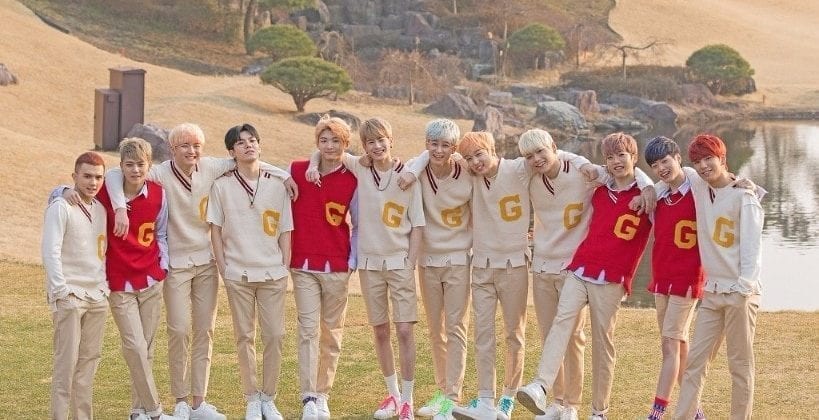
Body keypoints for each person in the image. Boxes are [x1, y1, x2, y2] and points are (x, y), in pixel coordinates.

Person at [103, 123, 293, 420]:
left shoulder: (210, 166)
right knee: (179, 330)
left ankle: (198, 402)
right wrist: (118, 207)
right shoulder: (160, 173)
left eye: (196, 146)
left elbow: (247, 160)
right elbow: (115, 174)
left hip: (207, 263)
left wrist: (284, 175)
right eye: (184, 146)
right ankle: (180, 400)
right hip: (176, 265)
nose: (191, 151)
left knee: (205, 330)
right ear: (172, 149)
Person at [516, 132, 654, 420]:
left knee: (603, 344)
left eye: (622, 155)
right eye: (610, 157)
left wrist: (647, 184)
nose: (616, 162)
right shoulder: (599, 186)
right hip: (580, 269)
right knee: (561, 323)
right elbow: (586, 166)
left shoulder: (648, 197)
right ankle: (541, 386)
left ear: (633, 157)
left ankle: (598, 411)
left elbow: (675, 183)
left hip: (613, 278)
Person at [307, 117, 425, 420]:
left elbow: (418, 225)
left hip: (399, 263)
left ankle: (408, 400)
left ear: (390, 140)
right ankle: (393, 396)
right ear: (364, 146)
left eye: (381, 140)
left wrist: (410, 263)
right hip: (369, 265)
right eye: (370, 142)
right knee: (381, 330)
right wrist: (312, 165)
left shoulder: (408, 175)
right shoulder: (359, 167)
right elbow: (327, 148)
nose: (377, 146)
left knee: (404, 331)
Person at [672, 134, 764, 420]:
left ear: (722, 159)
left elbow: (752, 250)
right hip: (711, 293)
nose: (703, 166)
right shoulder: (699, 185)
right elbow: (671, 170)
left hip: (740, 294)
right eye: (698, 161)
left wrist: (743, 289)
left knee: (740, 366)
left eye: (708, 159)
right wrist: (648, 191)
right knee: (695, 363)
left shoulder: (745, 198)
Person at [207, 124, 293, 420]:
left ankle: (269, 397)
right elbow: (215, 229)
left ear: (260, 145)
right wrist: (223, 267)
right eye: (241, 143)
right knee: (244, 337)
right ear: (231, 152)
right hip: (238, 273)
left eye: (253, 140)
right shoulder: (221, 185)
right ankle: (252, 398)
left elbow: (286, 229)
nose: (248, 146)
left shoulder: (278, 184)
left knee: (275, 336)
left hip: (272, 273)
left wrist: (284, 266)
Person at [517, 129, 594, 420]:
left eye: (541, 151)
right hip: (542, 266)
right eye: (529, 156)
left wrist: (647, 187)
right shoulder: (530, 177)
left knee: (574, 336)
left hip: (574, 269)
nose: (537, 159)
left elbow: (620, 174)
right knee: (550, 335)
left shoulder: (582, 171)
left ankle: (572, 405)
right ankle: (557, 402)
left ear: (554, 147)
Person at [97, 138, 173, 420]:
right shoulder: (105, 194)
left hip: (151, 280)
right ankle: (155, 412)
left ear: (149, 165)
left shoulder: (159, 194)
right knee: (135, 346)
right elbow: (72, 192)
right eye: (129, 165)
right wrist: (62, 193)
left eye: (141, 164)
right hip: (120, 284)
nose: (135, 170)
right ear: (121, 166)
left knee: (147, 349)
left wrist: (163, 265)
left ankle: (137, 411)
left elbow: (161, 232)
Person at [402, 119, 473, 420]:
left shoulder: (466, 172)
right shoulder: (416, 169)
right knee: (436, 330)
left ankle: (452, 399)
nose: (439, 150)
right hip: (427, 260)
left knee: (456, 328)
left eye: (445, 145)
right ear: (426, 144)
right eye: (433, 144)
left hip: (458, 259)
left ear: (454, 148)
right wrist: (421, 161)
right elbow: (405, 174)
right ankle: (442, 392)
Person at [289, 116, 358, 420]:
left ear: (346, 144)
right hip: (303, 264)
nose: (329, 146)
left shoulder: (353, 177)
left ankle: (323, 394)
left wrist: (352, 260)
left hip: (337, 266)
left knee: (332, 333)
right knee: (307, 330)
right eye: (324, 140)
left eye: (336, 141)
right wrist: (311, 164)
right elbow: (267, 171)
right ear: (316, 143)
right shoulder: (297, 170)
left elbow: (359, 223)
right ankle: (308, 397)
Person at [42, 151, 110, 420]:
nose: (93, 182)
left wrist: (104, 288)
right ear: (74, 177)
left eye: (98, 177)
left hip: (97, 297)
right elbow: (50, 251)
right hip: (70, 297)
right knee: (65, 366)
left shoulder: (101, 209)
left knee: (88, 366)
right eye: (87, 176)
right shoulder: (61, 206)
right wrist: (61, 291)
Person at [641, 136, 704, 420]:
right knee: (678, 343)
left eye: (665, 161)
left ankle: (657, 411)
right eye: (655, 165)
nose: (662, 169)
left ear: (678, 158)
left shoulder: (699, 188)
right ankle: (694, 409)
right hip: (662, 276)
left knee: (669, 344)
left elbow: (726, 185)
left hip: (687, 278)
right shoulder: (659, 195)